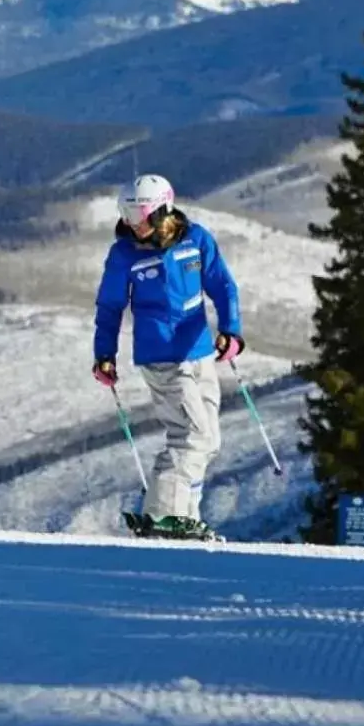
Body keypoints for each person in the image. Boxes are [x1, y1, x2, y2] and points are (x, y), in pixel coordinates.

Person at [92, 174, 243, 540]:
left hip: (199, 351)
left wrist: (231, 330)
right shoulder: (124, 254)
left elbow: (222, 285)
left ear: (163, 209)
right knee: (190, 434)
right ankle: (165, 515)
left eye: (140, 215)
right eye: (127, 214)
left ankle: (183, 515)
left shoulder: (196, 240)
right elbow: (110, 306)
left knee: (208, 440)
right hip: (161, 356)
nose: (133, 224)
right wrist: (104, 354)